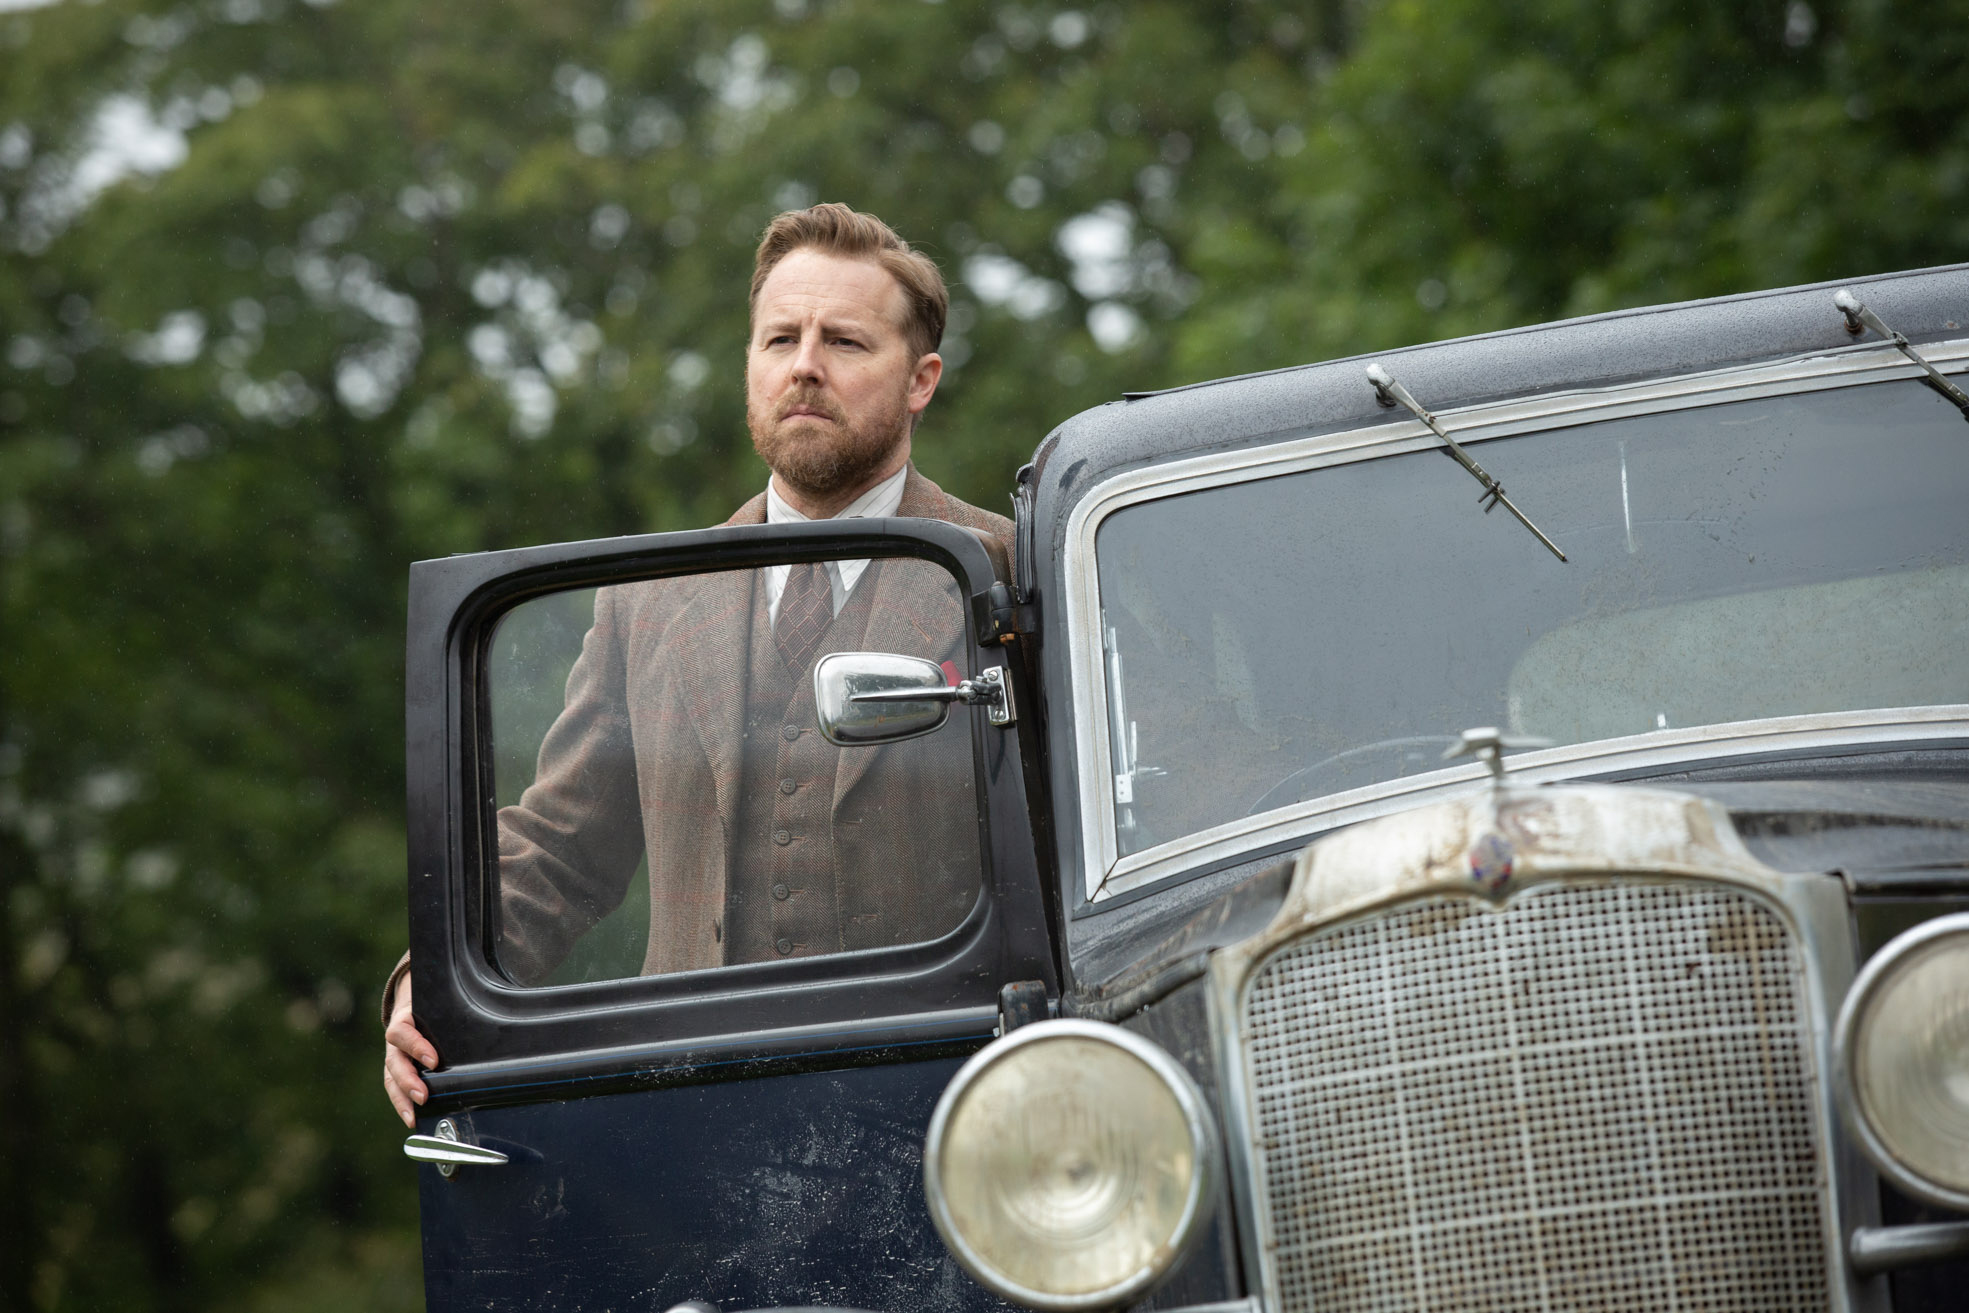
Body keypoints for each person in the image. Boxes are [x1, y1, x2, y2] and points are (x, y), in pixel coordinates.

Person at [384, 204, 1012, 1127]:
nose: (804, 365)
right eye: (779, 339)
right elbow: (560, 848)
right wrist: (423, 984)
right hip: (699, 1116)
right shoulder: (650, 597)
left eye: (843, 340)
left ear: (920, 381)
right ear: (749, 366)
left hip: (964, 1105)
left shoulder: (1009, 570)